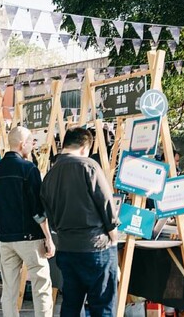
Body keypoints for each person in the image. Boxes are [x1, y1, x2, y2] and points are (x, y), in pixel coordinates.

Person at [40, 127, 118, 316]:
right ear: (85, 147)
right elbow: (106, 203)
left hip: (66, 247)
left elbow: (47, 212)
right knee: (102, 306)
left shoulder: (49, 175)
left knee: (70, 304)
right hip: (95, 246)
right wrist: (114, 236)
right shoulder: (88, 165)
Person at [0, 126, 55, 317]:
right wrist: (48, 236)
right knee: (41, 286)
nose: (32, 145)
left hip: (6, 237)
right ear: (22, 144)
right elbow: (37, 207)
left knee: (9, 289)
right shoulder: (28, 168)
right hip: (29, 237)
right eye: (31, 142)